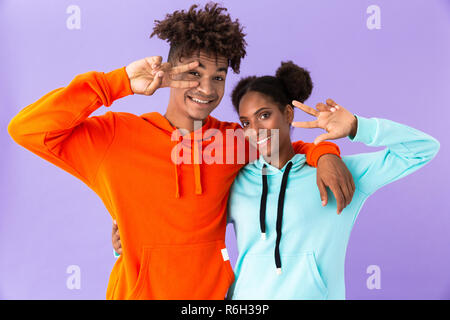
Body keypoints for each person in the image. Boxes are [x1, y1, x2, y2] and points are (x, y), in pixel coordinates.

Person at [8, 3, 354, 300]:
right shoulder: (116, 136)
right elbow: (27, 128)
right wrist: (119, 82)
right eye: (193, 73)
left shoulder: (233, 141)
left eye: (218, 77)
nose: (207, 88)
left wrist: (325, 153)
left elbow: (286, 147)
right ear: (170, 73)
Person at [223, 61, 440, 299]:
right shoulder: (237, 182)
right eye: (246, 123)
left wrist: (358, 127)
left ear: (287, 113)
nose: (255, 130)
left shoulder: (339, 173)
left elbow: (422, 149)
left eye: (264, 115)